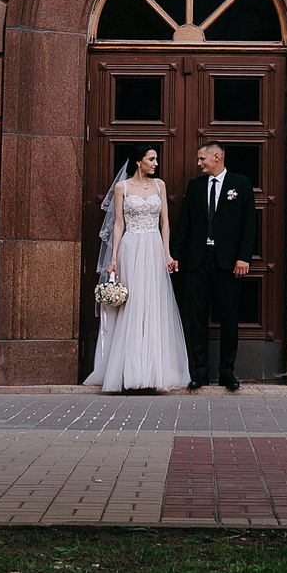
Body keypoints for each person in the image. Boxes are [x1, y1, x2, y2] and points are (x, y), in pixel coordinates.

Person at [83, 147, 191, 393]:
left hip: (153, 247)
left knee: (153, 303)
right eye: (151, 159)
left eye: (156, 159)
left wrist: (167, 253)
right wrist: (113, 257)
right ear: (138, 162)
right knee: (131, 305)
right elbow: (118, 225)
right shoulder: (122, 187)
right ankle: (128, 370)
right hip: (130, 248)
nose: (155, 163)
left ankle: (152, 371)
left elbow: (165, 223)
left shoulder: (159, 186)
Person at [173, 140, 255, 393]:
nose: (198, 163)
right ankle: (200, 372)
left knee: (229, 317)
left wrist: (244, 257)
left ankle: (227, 372)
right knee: (197, 317)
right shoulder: (195, 186)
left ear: (217, 157)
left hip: (228, 262)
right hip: (197, 261)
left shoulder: (241, 184)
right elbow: (185, 224)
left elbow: (249, 223)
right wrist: (175, 255)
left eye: (202, 158)